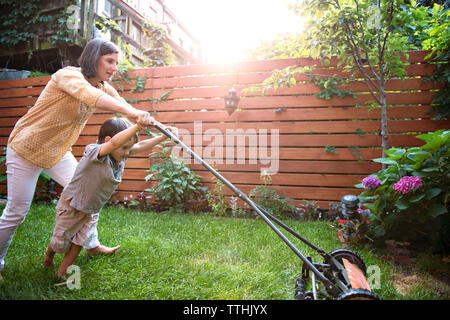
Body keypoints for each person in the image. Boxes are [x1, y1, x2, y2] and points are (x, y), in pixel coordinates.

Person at [0, 38, 155, 280]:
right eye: (110, 61)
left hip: (58, 152)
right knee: (16, 212)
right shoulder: (68, 76)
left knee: (89, 191)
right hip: (26, 149)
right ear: (94, 58)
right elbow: (90, 96)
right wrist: (132, 113)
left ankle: (91, 245)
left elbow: (121, 105)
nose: (115, 67)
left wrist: (149, 121)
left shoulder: (103, 86)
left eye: (117, 62)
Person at [43, 117, 178, 278]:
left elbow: (139, 145)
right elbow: (114, 144)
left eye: (129, 148)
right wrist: (137, 126)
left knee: (78, 243)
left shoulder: (119, 153)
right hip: (72, 206)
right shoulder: (95, 152)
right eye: (125, 147)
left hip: (90, 210)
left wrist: (163, 137)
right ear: (109, 140)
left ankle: (62, 272)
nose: (127, 152)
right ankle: (49, 254)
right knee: (60, 242)